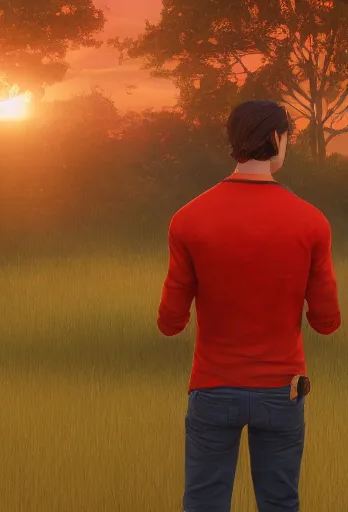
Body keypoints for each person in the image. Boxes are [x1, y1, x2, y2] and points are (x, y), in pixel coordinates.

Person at [157, 100, 341, 512]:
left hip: (212, 387)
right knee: (279, 502)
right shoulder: (311, 221)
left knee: (204, 502)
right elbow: (327, 322)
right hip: (282, 390)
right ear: (276, 139)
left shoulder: (187, 218)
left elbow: (170, 321)